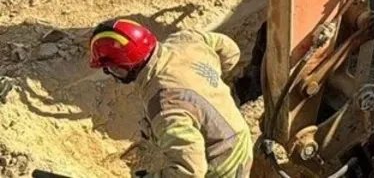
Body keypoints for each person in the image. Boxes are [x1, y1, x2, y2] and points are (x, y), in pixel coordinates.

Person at [88, 19, 252, 177]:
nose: (108, 73)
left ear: (125, 65)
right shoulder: (186, 39)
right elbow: (231, 51)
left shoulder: (165, 104)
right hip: (236, 130)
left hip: (224, 162)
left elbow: (190, 172)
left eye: (110, 69)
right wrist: (210, 78)